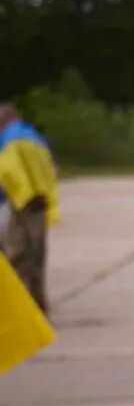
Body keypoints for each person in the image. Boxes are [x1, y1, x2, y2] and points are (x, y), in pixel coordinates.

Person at [0, 103, 60, 313]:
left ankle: (21, 308)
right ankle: (37, 304)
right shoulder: (34, 137)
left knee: (17, 254)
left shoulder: (10, 140)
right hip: (38, 201)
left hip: (21, 202)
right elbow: (53, 167)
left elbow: (8, 173)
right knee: (35, 254)